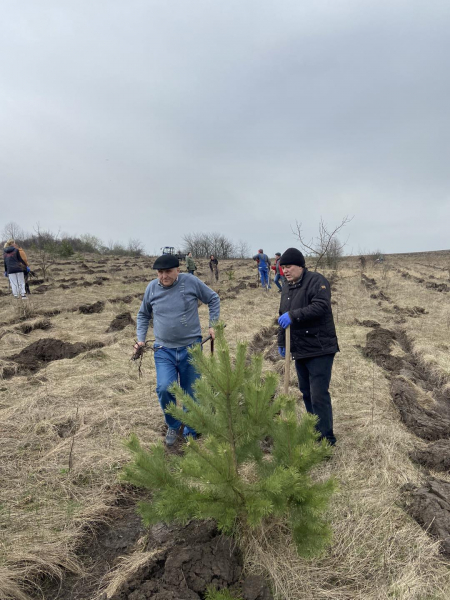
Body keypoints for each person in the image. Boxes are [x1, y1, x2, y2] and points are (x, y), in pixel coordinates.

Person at [134, 254, 220, 446]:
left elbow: (213, 299)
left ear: (177, 271)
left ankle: (192, 428)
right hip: (164, 349)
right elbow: (143, 315)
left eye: (168, 272)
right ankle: (173, 424)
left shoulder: (190, 282)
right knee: (165, 388)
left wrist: (213, 324)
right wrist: (140, 340)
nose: (164, 276)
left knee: (192, 390)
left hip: (191, 348)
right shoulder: (152, 288)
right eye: (160, 272)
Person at [277, 247, 339, 446]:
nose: (285, 271)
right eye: (283, 268)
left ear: (301, 266)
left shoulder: (316, 281)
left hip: (320, 346)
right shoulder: (286, 288)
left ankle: (327, 439)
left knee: (319, 393)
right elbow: (282, 315)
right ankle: (315, 431)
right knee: (306, 392)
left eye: (289, 267)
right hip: (300, 348)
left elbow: (321, 306)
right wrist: (281, 342)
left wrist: (293, 316)